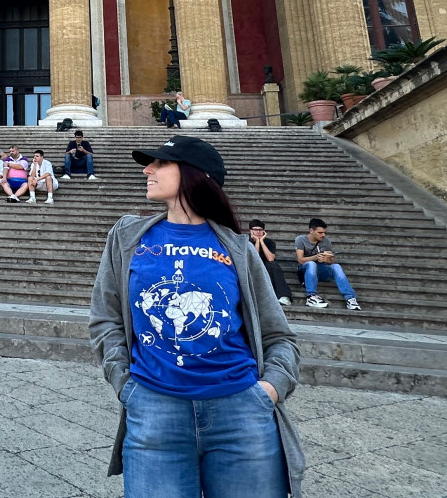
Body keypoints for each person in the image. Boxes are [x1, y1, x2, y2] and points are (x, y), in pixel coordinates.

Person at [88, 135, 303, 497]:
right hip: (154, 409)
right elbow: (105, 318)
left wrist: (269, 391)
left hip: (241, 412)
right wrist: (126, 386)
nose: (148, 169)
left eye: (160, 163)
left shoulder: (238, 248)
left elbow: (278, 335)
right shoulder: (127, 236)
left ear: (194, 175)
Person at [295, 219, 361, 310]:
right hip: (305, 270)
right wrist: (315, 257)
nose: (323, 235)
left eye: (324, 232)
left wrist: (328, 259)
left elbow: (332, 261)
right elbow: (300, 260)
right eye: (320, 232)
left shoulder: (326, 241)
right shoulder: (300, 239)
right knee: (311, 264)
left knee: (336, 266)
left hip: (320, 269)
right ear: (311, 230)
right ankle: (311, 297)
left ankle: (350, 298)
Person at [248, 220, 293, 305]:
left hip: (266, 267)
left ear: (264, 231)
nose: (258, 232)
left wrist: (261, 241)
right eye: (255, 229)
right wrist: (257, 243)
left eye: (260, 230)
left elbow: (270, 258)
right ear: (251, 231)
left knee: (274, 265)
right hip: (250, 266)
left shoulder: (269, 242)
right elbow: (253, 258)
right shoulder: (246, 240)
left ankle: (284, 296)